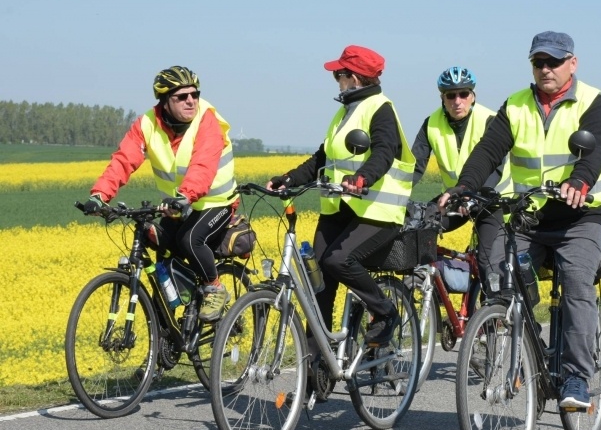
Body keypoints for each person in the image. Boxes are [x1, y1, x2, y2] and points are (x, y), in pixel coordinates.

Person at [438, 31, 601, 410]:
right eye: (539, 62)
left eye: (554, 61)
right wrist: (464, 186)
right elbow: (489, 150)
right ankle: (526, 346)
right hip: (531, 217)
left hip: (581, 217)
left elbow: (594, 152)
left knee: (577, 281)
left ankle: (577, 377)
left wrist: (579, 181)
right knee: (501, 276)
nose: (546, 68)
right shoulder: (515, 105)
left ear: (572, 63)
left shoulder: (593, 102)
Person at [267, 45, 415, 348]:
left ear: (356, 78)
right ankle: (317, 367)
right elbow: (323, 158)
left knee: (338, 261)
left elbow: (385, 151)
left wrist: (362, 177)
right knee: (318, 281)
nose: (337, 80)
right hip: (341, 208)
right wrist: (289, 179)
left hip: (377, 212)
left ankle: (385, 313)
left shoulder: (380, 107)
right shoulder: (344, 112)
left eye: (340, 74)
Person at [83, 66, 238, 322]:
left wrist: (186, 195)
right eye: (182, 96)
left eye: (194, 94)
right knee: (158, 242)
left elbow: (203, 164)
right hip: (180, 204)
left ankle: (214, 287)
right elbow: (124, 159)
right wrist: (100, 195)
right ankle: (166, 325)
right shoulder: (147, 124)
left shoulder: (206, 120)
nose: (191, 101)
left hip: (215, 202)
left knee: (190, 240)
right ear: (165, 102)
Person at [410, 66, 511, 289]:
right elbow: (414, 167)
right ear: (442, 98)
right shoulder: (431, 124)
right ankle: (436, 302)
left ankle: (494, 315)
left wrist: (474, 197)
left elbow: (496, 165)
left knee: (487, 262)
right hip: (454, 198)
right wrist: (393, 196)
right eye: (451, 95)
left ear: (472, 96)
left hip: (491, 199)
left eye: (463, 94)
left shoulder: (489, 120)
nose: (458, 100)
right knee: (419, 229)